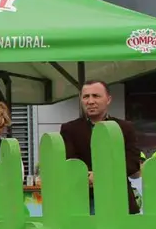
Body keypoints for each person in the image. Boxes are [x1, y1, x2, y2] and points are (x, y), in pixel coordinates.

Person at [59, 80, 141, 215]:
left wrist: (102, 175)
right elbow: (69, 162)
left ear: (108, 99)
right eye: (86, 97)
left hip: (118, 198)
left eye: (96, 96)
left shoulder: (125, 128)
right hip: (83, 200)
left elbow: (132, 163)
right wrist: (87, 176)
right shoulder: (70, 129)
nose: (90, 101)